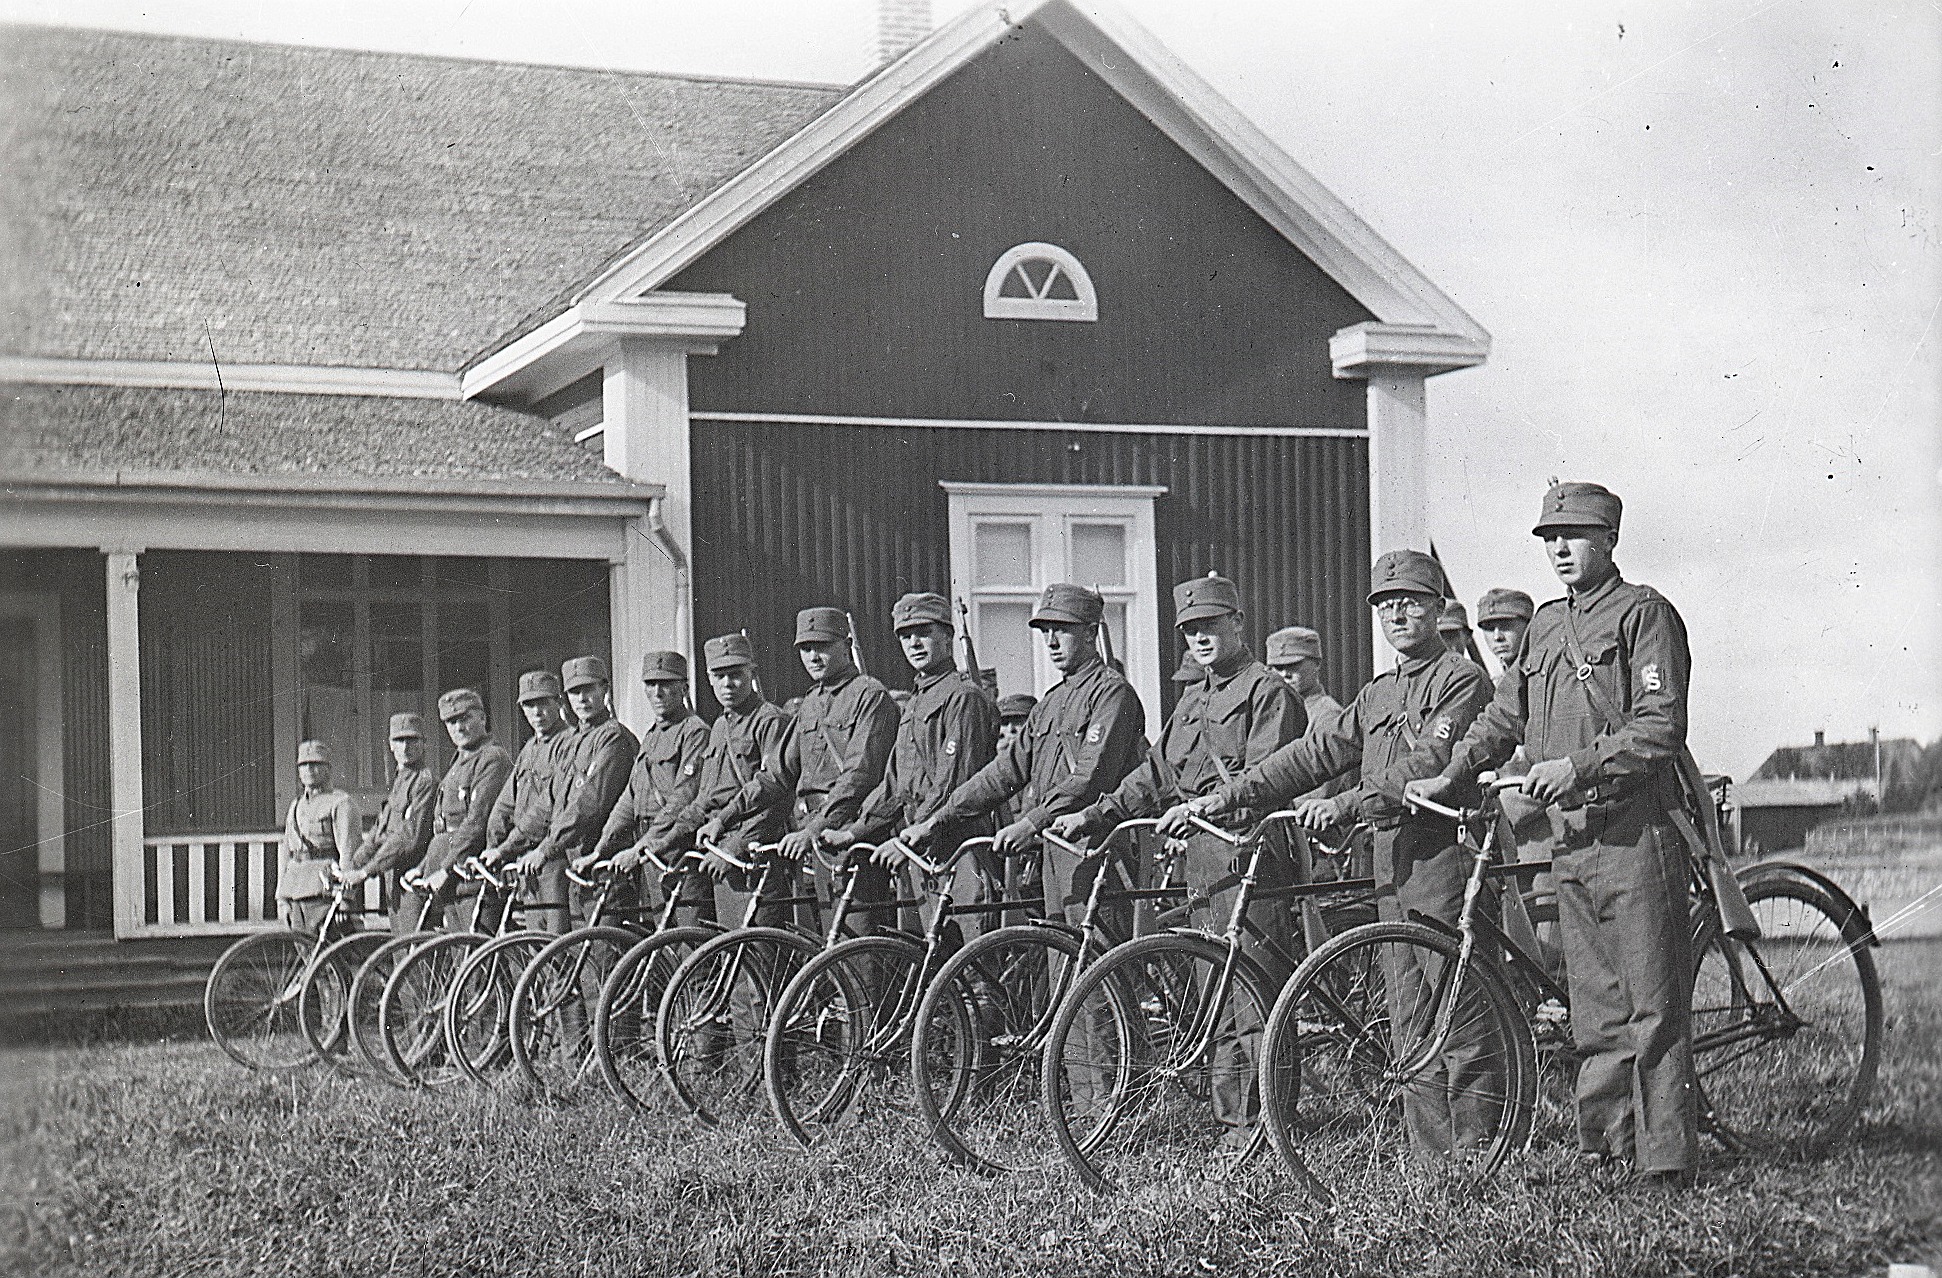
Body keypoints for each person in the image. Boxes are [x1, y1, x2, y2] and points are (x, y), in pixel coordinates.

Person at [1408, 482, 1699, 1186]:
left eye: (1575, 534)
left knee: (1653, 1008)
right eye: (1550, 538)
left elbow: (1661, 727)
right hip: (1570, 842)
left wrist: (1578, 766)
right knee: (1594, 1011)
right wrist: (1453, 772)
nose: (1561, 548)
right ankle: (1606, 1152)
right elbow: (1505, 718)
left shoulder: (1644, 614)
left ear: (1610, 540)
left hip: (1633, 836)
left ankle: (1664, 1167)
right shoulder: (1541, 628)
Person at [1162, 549, 1494, 1158]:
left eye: (1411, 602)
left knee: (1456, 1002)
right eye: (1385, 605)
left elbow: (1425, 763)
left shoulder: (1462, 679)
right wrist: (1229, 797)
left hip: (1441, 854)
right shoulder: (1377, 694)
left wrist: (1346, 807)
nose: (1397, 613)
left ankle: (1478, 1149)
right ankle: (1432, 1156)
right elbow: (1311, 756)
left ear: (1436, 608)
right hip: (1389, 861)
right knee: (1406, 1007)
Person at [1053, 573, 1303, 1143]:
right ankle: (1231, 1119)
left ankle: (1266, 1125)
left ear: (1238, 624)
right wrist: (1098, 814)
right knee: (1213, 991)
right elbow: (1155, 774)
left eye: (1211, 625)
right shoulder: (1193, 699)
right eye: (1191, 630)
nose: (1201, 638)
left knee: (1256, 993)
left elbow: (1266, 775)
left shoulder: (1268, 692)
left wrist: (1208, 806)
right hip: (1201, 859)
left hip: (1250, 853)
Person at [901, 584, 1148, 931]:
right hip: (1055, 851)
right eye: (1046, 631)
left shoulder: (1112, 693)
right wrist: (937, 820)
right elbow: (1004, 772)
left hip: (1097, 850)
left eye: (1062, 629)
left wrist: (1031, 822)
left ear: (1092, 633)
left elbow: (1091, 777)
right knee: (1062, 962)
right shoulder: (1050, 703)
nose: (1051, 642)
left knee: (1102, 967)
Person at [707, 608, 900, 931]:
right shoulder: (812, 702)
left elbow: (859, 776)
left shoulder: (869, 696)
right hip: (818, 842)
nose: (813, 656)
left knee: (860, 951)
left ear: (846, 644)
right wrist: (723, 818)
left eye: (822, 645)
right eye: (805, 649)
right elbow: (776, 775)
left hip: (852, 837)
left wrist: (811, 830)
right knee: (829, 951)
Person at [824, 593, 1000, 945]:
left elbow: (953, 781)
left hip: (959, 847)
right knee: (937, 962)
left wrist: (912, 836)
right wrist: (855, 832)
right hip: (923, 849)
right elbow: (894, 784)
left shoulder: (963, 697)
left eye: (923, 632)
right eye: (905, 635)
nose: (913, 643)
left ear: (947, 637)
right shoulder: (916, 701)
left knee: (976, 961)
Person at [577, 651, 713, 923]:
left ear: (684, 687)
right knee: (659, 940)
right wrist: (601, 849)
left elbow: (683, 799)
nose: (658, 692)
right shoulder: (651, 736)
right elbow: (630, 798)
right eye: (651, 685)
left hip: (678, 849)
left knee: (689, 940)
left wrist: (641, 847)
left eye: (666, 683)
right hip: (651, 852)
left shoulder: (695, 731)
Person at [684, 633, 799, 925]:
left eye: (735, 674)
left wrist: (733, 846)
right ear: (709, 678)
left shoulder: (770, 720)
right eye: (719, 676)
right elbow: (706, 796)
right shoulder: (720, 726)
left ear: (752, 673)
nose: (727, 684)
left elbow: (778, 797)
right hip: (723, 853)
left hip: (758, 853)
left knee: (763, 956)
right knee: (734, 952)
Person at [525, 656, 638, 933]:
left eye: (589, 689)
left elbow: (590, 803)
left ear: (605, 689)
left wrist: (547, 847)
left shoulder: (613, 737)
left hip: (607, 862)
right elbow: (549, 801)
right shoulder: (574, 741)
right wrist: (510, 847)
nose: (582, 698)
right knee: (581, 955)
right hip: (576, 863)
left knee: (604, 955)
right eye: (575, 692)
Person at [468, 671, 575, 930]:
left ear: (559, 703)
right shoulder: (530, 748)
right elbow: (506, 804)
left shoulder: (569, 742)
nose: (536, 712)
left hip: (553, 857)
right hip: (526, 858)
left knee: (556, 941)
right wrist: (493, 846)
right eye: (529, 705)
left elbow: (547, 807)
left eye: (543, 703)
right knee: (533, 940)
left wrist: (506, 848)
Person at [404, 688, 512, 934]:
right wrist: (423, 866)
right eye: (451, 722)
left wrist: (445, 868)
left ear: (482, 718)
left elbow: (477, 821)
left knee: (477, 953)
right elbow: (442, 827)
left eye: (465, 719)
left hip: (471, 869)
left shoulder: (492, 758)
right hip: (450, 868)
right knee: (458, 950)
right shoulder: (459, 761)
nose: (459, 728)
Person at [339, 713, 436, 932]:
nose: (405, 747)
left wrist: (366, 872)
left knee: (414, 950)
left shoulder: (424, 782)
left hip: (412, 874)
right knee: (400, 949)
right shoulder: (399, 781)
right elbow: (378, 833)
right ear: (390, 746)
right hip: (392, 873)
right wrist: (355, 864)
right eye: (399, 741)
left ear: (424, 744)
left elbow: (409, 836)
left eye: (412, 740)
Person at [277, 739, 359, 934]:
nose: (309, 770)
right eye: (304, 765)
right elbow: (287, 854)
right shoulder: (295, 806)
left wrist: (345, 899)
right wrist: (281, 897)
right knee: (304, 950)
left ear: (328, 768)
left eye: (316, 764)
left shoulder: (340, 803)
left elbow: (349, 852)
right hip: (296, 888)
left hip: (325, 890)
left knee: (330, 952)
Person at [1475, 588, 1535, 676]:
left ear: (1529, 625)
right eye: (1489, 628)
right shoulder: (1498, 681)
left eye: (1506, 626)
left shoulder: (1549, 671)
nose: (1497, 637)